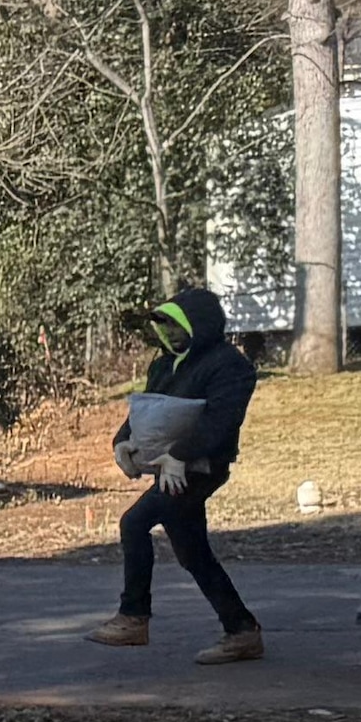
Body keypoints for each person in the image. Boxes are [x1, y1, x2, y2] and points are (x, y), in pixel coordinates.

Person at [92, 284, 259, 662]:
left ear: (198, 324)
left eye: (174, 325)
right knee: (193, 553)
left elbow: (221, 421)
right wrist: (124, 442)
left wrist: (178, 455)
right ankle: (242, 630)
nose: (167, 334)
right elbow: (146, 411)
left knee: (135, 524)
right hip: (169, 470)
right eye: (163, 326)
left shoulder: (229, 365)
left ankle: (134, 617)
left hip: (199, 469)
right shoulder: (164, 363)